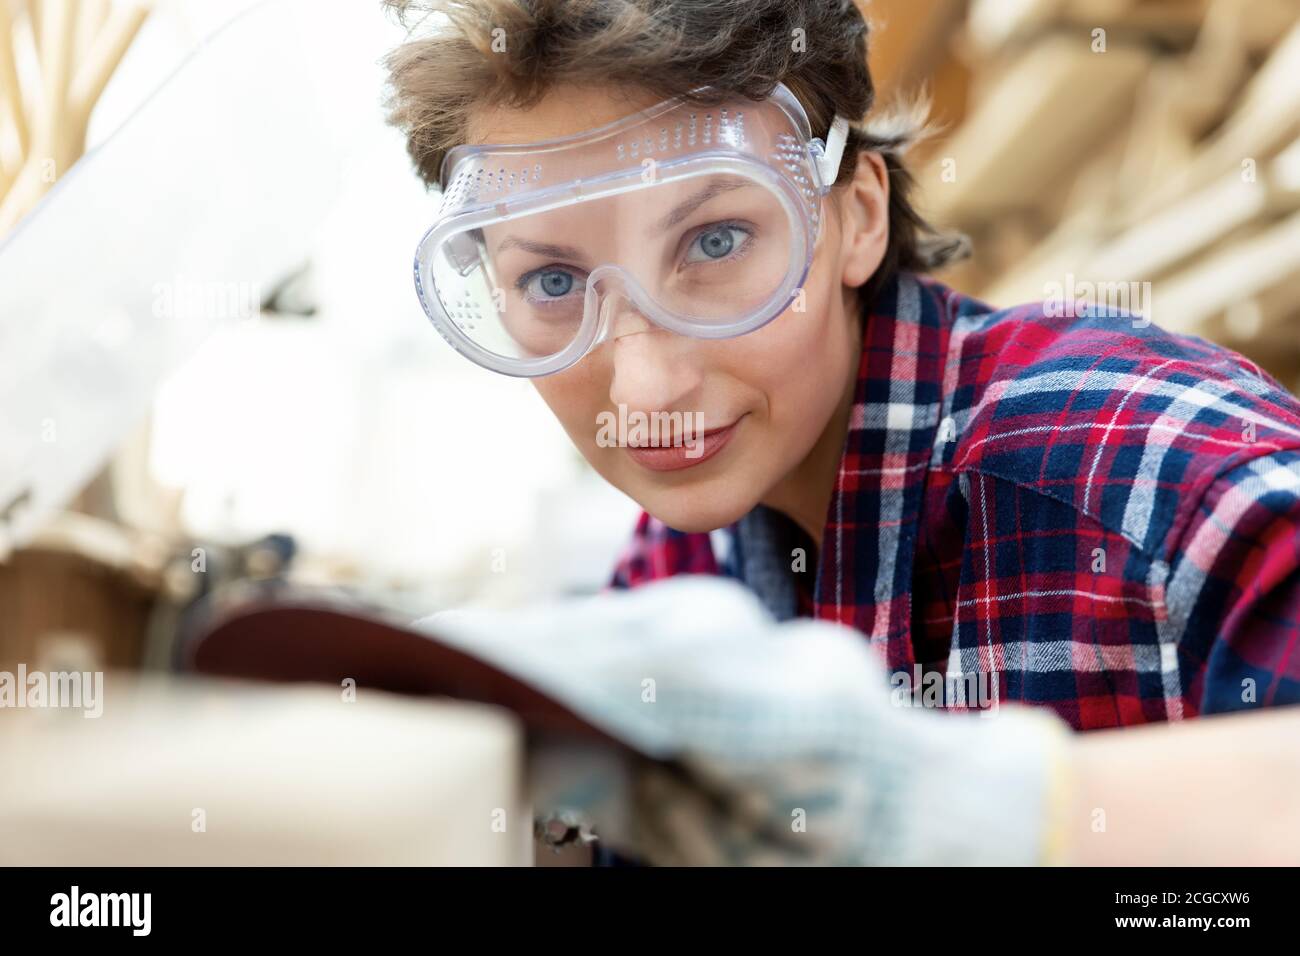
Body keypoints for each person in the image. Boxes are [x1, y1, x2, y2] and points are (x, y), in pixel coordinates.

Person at [382, 0, 1300, 864]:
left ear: (856, 215)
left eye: (714, 242)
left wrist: (993, 811)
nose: (645, 385)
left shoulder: (1131, 464)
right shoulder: (686, 556)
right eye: (552, 283)